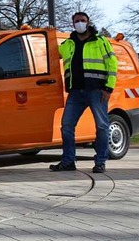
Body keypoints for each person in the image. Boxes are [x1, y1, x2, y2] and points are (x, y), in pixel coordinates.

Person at [50, 12, 118, 174]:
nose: (80, 23)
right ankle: (68, 161)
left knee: (102, 126)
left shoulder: (100, 41)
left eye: (82, 21)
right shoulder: (68, 44)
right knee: (66, 126)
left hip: (97, 91)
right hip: (76, 92)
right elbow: (49, 51)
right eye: (76, 21)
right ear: (73, 24)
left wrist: (108, 88)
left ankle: (100, 162)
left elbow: (112, 64)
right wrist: (48, 32)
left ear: (88, 22)